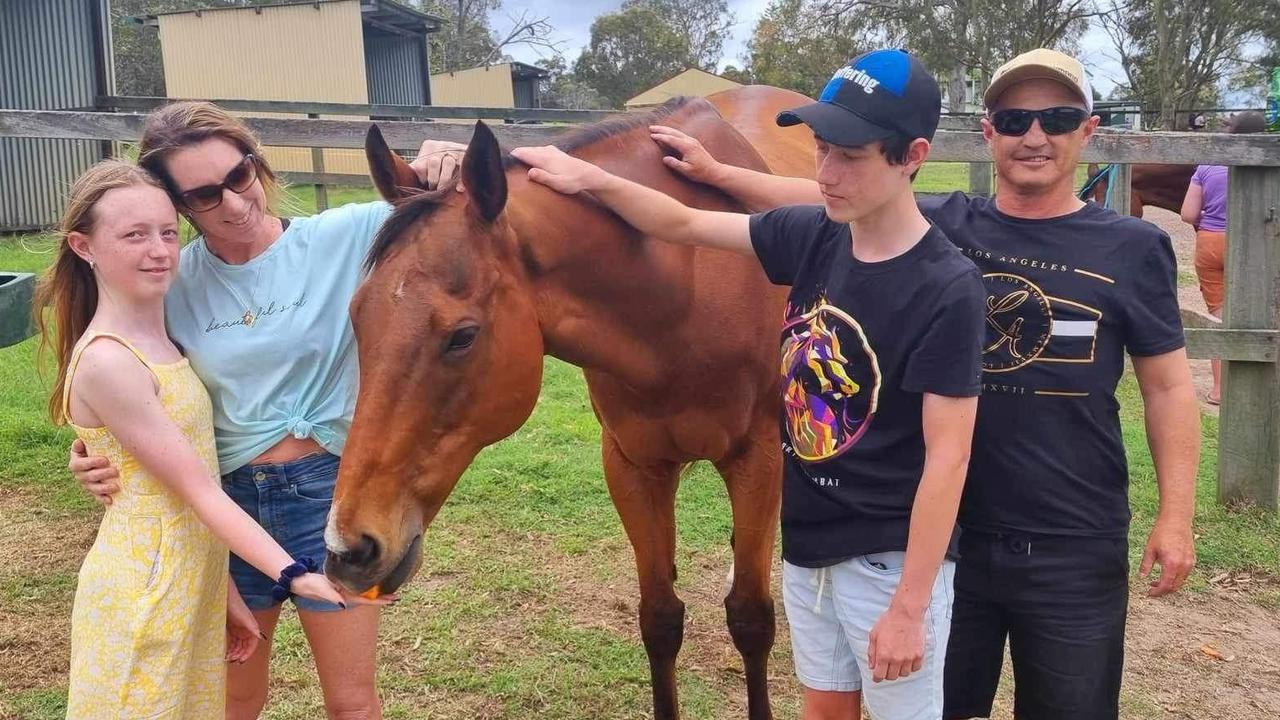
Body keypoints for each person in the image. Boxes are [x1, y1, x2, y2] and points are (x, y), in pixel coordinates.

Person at [624, 48, 1199, 720]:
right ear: (988, 132)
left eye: (1057, 117)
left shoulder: (1131, 248)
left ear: (1087, 129)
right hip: (953, 538)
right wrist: (719, 172)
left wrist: (1177, 515)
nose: (1034, 136)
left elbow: (1166, 387)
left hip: (1072, 536)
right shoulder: (951, 223)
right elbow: (826, 197)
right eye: (1014, 119)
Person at [512, 49, 984, 720]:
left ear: (911, 155)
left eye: (849, 155)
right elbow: (682, 223)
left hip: (887, 561)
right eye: (821, 149)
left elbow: (950, 457)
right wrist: (586, 176)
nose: (825, 173)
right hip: (811, 546)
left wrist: (909, 607)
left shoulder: (946, 288)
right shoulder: (817, 236)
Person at [67, 103, 445, 719]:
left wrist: (440, 161)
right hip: (228, 504)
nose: (235, 203)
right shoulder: (172, 277)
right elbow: (138, 377)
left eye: (239, 176)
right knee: (236, 700)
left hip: (329, 491)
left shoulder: (349, 236)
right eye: (204, 195)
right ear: (180, 206)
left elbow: (457, 210)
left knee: (353, 703)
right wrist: (94, 451)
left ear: (258, 163)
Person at [1180, 110, 1267, 405]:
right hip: (1253, 243)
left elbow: (1187, 214)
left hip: (1211, 243)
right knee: (1259, 312)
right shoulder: (1269, 163)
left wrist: (1211, 215)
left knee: (1219, 316)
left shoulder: (1208, 166)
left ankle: (1219, 390)